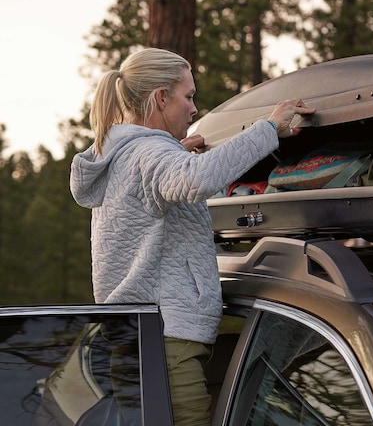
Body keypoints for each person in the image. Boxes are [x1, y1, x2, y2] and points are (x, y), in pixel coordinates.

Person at [69, 47, 314, 425]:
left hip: (136, 337)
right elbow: (198, 179)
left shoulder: (127, 155)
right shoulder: (149, 154)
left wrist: (177, 153)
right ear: (161, 98)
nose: (194, 108)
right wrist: (270, 127)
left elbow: (158, 186)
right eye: (188, 96)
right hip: (166, 341)